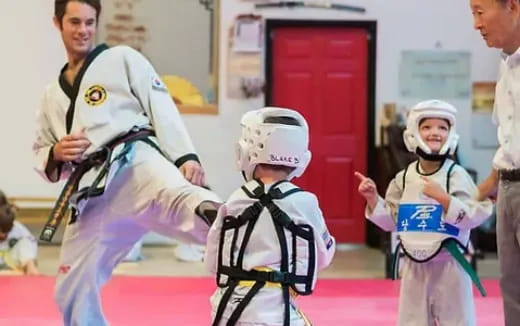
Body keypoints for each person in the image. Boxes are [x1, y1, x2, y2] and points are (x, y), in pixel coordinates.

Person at [32, 1, 220, 325]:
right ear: (57, 23)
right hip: (90, 189)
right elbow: (42, 149)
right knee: (70, 288)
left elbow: (159, 103)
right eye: (74, 22)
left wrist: (185, 156)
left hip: (134, 161)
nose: (83, 30)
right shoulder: (51, 95)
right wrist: (56, 152)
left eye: (90, 22)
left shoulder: (121, 58)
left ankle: (250, 226)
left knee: (183, 201)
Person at [356, 100, 493, 325]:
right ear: (413, 133)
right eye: (427, 127)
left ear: (451, 133)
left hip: (451, 265)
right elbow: (392, 221)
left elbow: (476, 214)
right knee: (412, 321)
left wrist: (445, 199)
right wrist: (373, 198)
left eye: (442, 127)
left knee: (457, 320)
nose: (435, 133)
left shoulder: (456, 175)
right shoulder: (403, 178)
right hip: (413, 265)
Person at [204, 107, 335, 326]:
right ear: (301, 157)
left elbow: (212, 260)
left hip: (230, 311)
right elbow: (322, 256)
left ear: (245, 152)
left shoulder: (235, 201)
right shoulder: (305, 203)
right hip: (278, 313)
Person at [470, 0, 520, 324]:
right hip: (508, 187)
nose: (476, 24)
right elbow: (509, 138)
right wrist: (484, 186)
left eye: (479, 11)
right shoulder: (505, 64)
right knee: (512, 290)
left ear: (512, 6)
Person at [0, 193, 39, 276]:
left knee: (24, 242)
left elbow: (29, 249)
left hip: (13, 267)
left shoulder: (19, 230)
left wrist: (30, 265)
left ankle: (30, 271)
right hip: (12, 272)